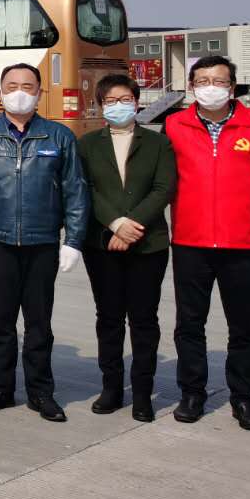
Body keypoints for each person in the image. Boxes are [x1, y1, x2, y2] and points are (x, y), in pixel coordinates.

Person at [0, 63, 89, 422]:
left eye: (28, 86)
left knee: (39, 324)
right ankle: (0, 388)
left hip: (42, 241)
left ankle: (40, 392)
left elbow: (75, 191)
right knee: (0, 322)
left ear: (39, 93)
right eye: (12, 85)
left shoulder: (58, 136)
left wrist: (73, 240)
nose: (19, 92)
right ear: (0, 92)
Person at [164, 54, 250, 431]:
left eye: (218, 81)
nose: (210, 87)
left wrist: (244, 213)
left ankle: (244, 398)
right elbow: (164, 179)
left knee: (244, 326)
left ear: (232, 87)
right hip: (191, 241)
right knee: (189, 324)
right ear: (191, 87)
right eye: (202, 81)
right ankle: (192, 393)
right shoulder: (174, 125)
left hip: (242, 244)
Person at [75, 73, 175, 422]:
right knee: (109, 318)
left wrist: (132, 225)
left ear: (137, 101)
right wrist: (115, 223)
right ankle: (112, 387)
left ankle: (143, 393)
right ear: (100, 106)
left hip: (148, 245)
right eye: (110, 101)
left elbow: (163, 188)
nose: (118, 106)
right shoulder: (87, 144)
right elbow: (85, 188)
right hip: (102, 244)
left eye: (125, 99)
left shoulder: (158, 143)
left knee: (144, 320)